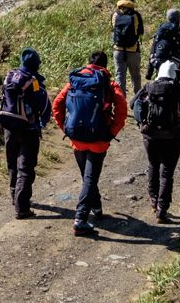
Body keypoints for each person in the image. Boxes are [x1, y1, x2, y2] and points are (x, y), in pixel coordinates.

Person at [53, 50, 128, 236]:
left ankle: (96, 205)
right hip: (99, 139)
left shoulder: (75, 80)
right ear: (105, 65)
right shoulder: (108, 83)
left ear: (88, 62)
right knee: (90, 178)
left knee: (88, 177)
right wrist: (112, 132)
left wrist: (66, 128)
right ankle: (80, 219)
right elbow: (122, 109)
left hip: (77, 138)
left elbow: (57, 104)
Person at [0, 48, 52, 218]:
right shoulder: (34, 82)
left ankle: (14, 195)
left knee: (12, 162)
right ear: (36, 64)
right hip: (28, 128)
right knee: (26, 168)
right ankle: (22, 208)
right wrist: (41, 123)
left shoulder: (11, 76)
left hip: (9, 126)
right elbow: (45, 107)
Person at [137, 60, 180, 223]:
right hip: (171, 136)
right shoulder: (178, 90)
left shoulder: (148, 87)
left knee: (153, 166)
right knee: (167, 171)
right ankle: (162, 209)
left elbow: (134, 104)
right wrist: (177, 116)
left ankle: (154, 201)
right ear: (173, 75)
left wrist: (143, 122)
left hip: (150, 136)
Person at [149, 8, 180, 87]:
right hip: (176, 69)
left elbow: (152, 51)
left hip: (160, 65)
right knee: (176, 90)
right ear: (178, 19)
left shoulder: (159, 33)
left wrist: (149, 73)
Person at [110, 0, 146, 96]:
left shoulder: (114, 14)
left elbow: (113, 29)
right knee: (135, 77)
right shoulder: (135, 15)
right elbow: (141, 31)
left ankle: (121, 104)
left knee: (120, 76)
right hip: (133, 50)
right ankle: (138, 100)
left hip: (118, 50)